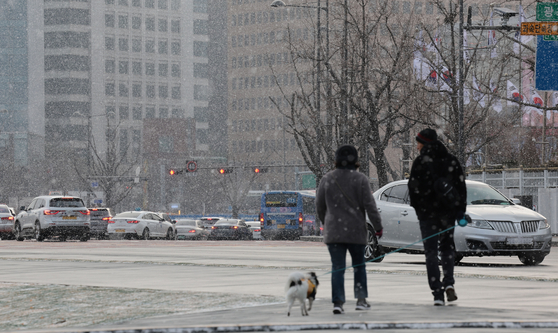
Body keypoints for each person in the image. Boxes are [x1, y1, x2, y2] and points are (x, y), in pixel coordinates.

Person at [316, 144, 383, 315]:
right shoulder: (360, 180)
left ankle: (338, 302)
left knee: (337, 267)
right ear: (356, 161)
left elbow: (319, 206)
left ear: (336, 160)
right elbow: (370, 206)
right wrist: (378, 227)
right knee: (359, 266)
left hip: (334, 231)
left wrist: (327, 222)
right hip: (356, 231)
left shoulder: (327, 179)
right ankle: (361, 299)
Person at [408, 128, 467, 306]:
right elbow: (461, 187)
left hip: (428, 216)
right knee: (448, 248)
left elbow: (413, 190)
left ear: (424, 143)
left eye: (418, 142)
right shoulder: (451, 160)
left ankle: (437, 292)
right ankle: (449, 283)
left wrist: (420, 211)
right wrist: (459, 211)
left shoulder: (419, 162)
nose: (417, 146)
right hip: (447, 213)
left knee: (431, 253)